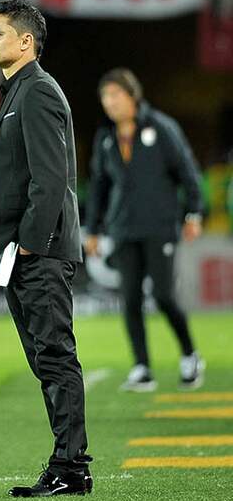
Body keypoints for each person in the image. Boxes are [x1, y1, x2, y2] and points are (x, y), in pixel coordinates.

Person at [0, 0, 91, 497]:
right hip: (27, 251)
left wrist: (29, 243)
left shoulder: (38, 92)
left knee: (54, 356)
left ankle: (72, 467)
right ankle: (65, 462)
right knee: (44, 359)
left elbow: (50, 179)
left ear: (26, 41)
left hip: (40, 251)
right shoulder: (18, 92)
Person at [85, 68, 205, 392]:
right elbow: (98, 186)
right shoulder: (106, 137)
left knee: (164, 296)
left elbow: (187, 171)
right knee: (130, 299)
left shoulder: (161, 128)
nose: (109, 103)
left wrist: (193, 213)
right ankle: (142, 368)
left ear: (132, 95)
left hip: (159, 226)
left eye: (115, 95)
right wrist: (92, 229)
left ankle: (190, 354)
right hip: (123, 229)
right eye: (105, 97)